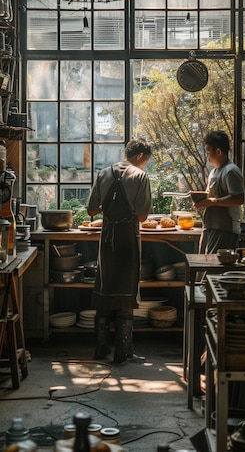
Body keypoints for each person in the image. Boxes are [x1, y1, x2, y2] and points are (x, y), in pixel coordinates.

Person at [87, 138, 152, 363]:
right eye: (146, 160)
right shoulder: (140, 176)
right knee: (126, 292)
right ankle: (123, 351)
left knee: (105, 290)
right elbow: (143, 216)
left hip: (107, 239)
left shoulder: (103, 173)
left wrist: (108, 209)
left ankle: (101, 348)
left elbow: (91, 210)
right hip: (128, 239)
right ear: (141, 156)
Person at [194, 130, 244, 254]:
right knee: (203, 265)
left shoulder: (231, 171)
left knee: (215, 267)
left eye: (208, 152)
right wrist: (200, 202)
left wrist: (212, 201)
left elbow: (239, 198)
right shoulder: (214, 172)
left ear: (218, 151)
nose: (207, 156)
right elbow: (209, 195)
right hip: (210, 225)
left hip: (225, 229)